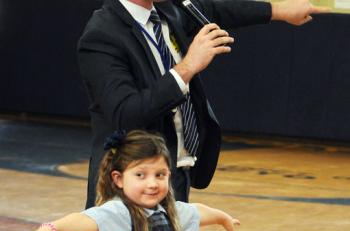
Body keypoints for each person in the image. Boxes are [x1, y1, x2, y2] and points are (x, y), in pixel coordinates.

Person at [78, 0, 329, 207]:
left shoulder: (170, 11)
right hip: (129, 187)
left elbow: (216, 9)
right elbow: (126, 114)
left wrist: (278, 11)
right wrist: (187, 67)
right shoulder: (102, 35)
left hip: (172, 173)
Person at [26, 130, 240, 231]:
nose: (152, 183)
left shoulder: (171, 212)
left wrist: (224, 219)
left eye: (160, 175)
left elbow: (198, 212)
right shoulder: (119, 213)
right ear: (118, 179)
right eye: (140, 175)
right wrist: (50, 229)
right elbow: (82, 220)